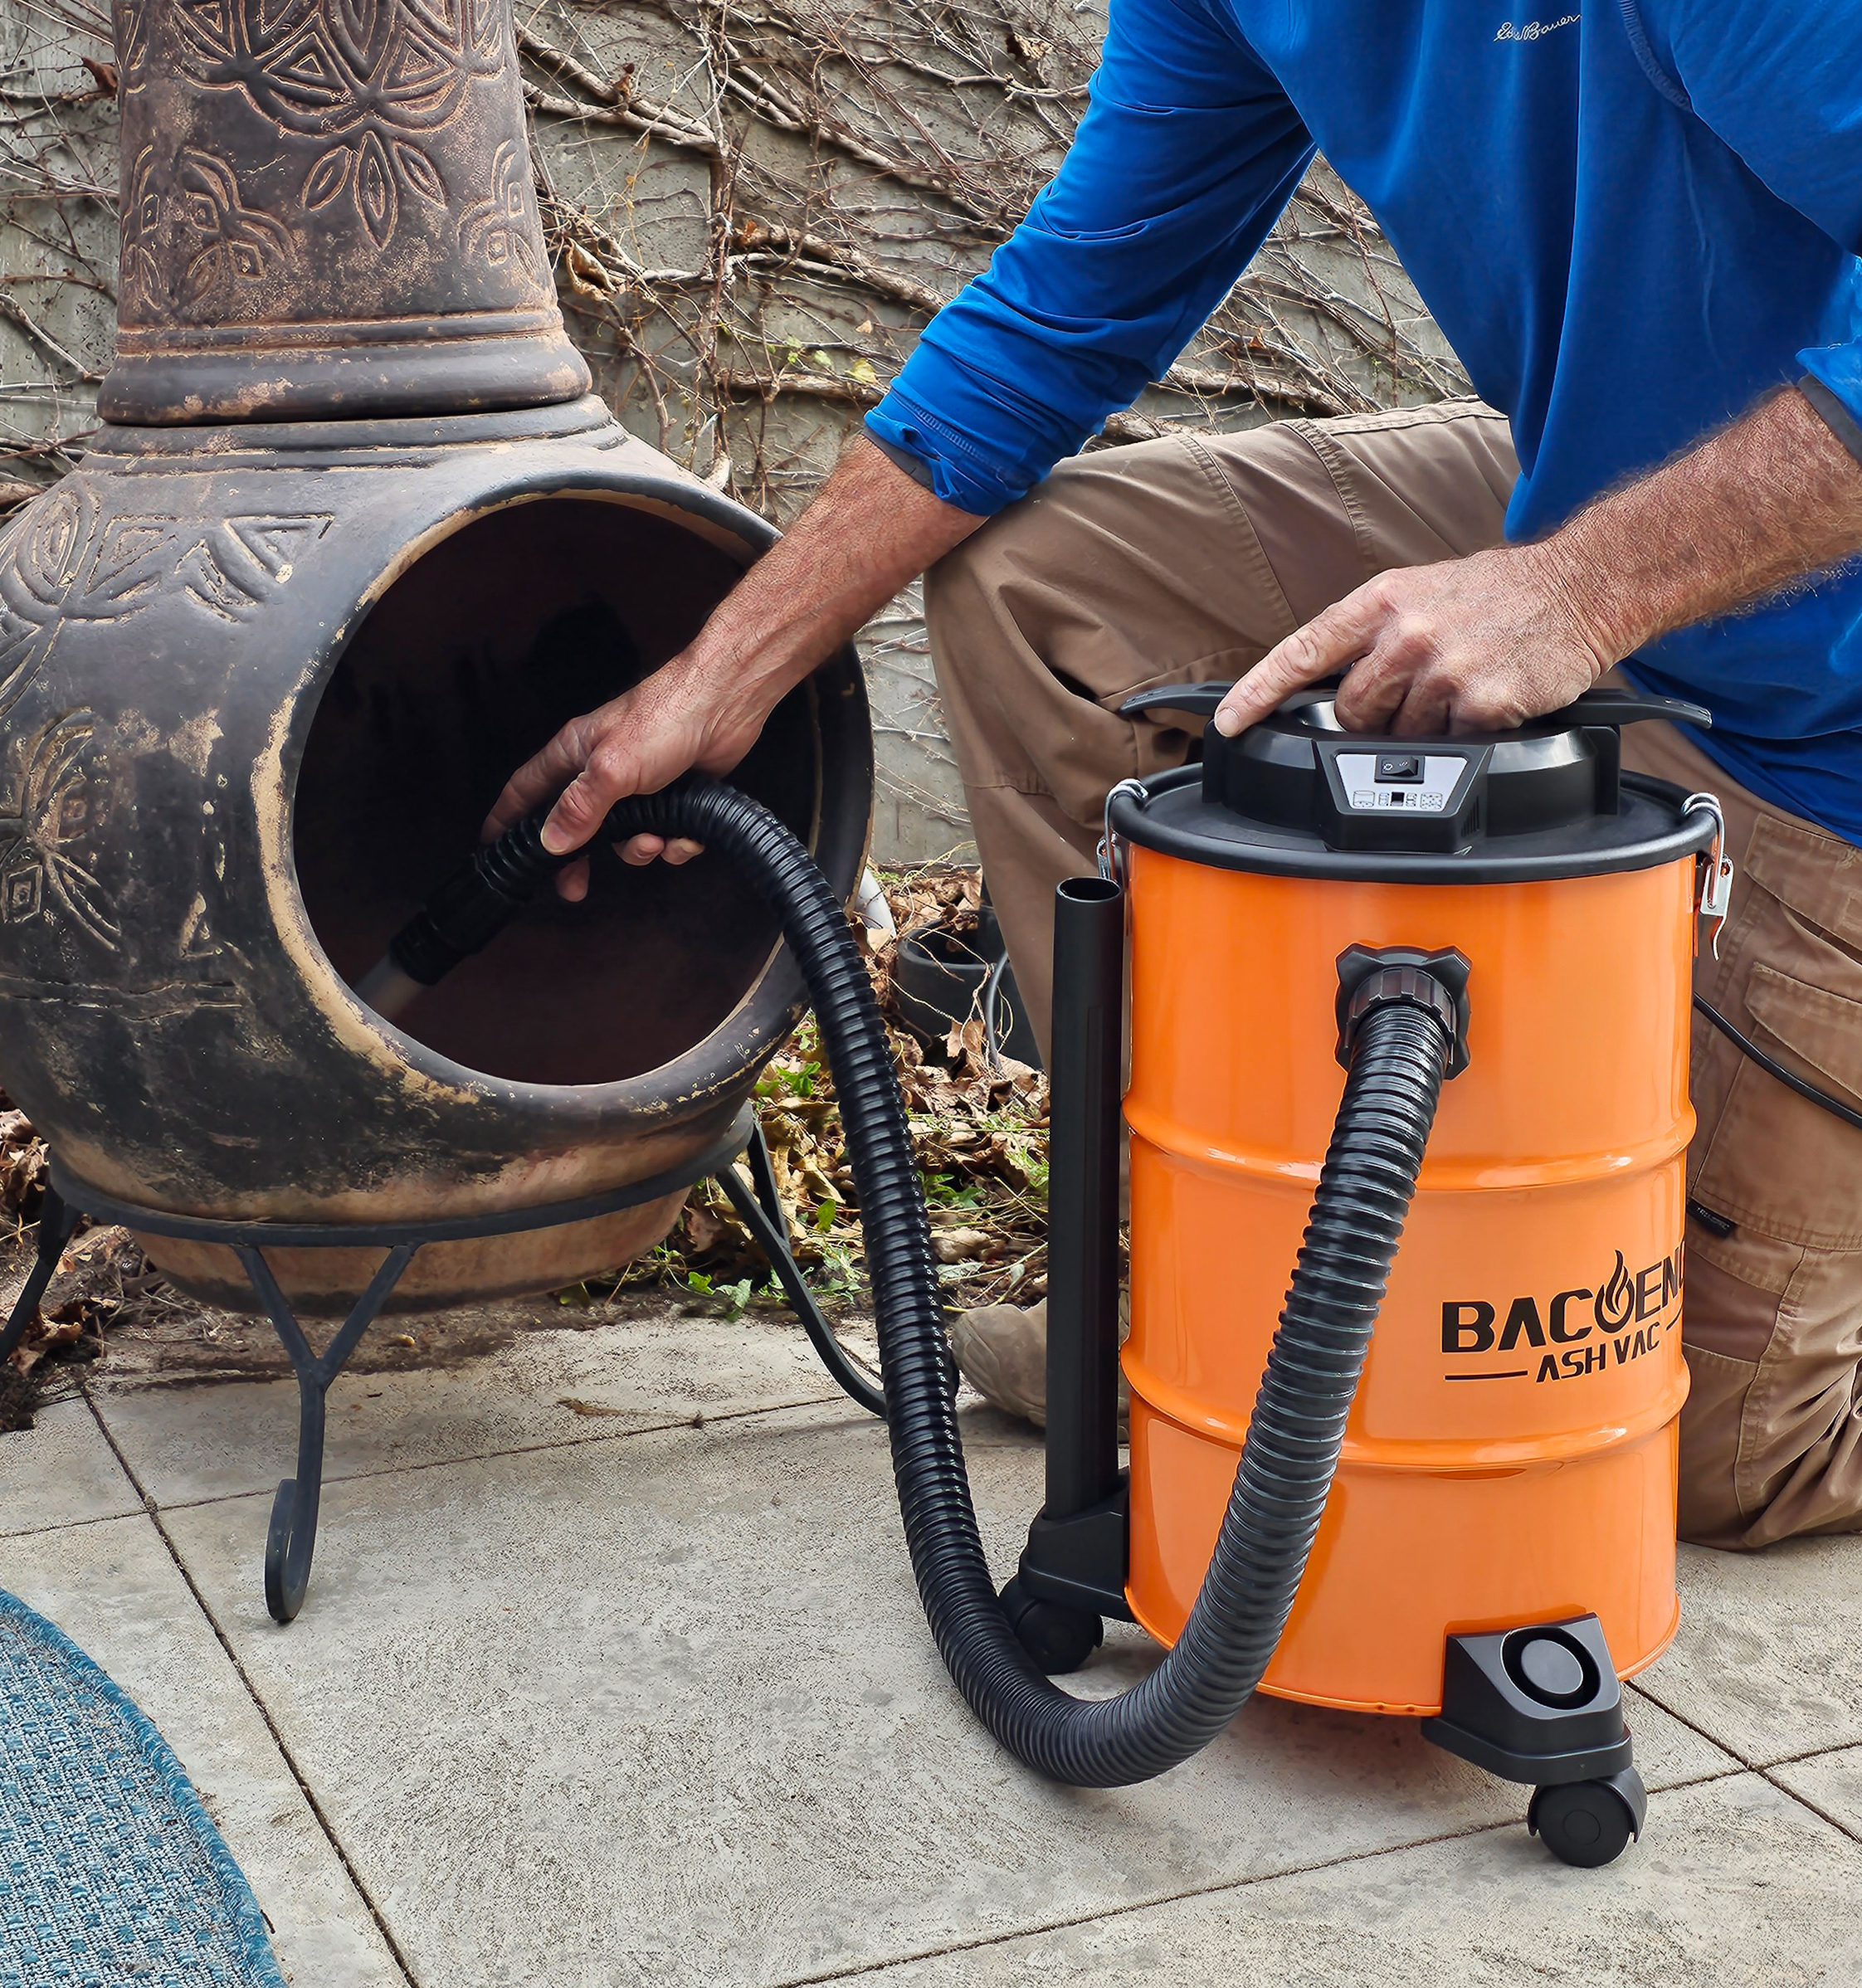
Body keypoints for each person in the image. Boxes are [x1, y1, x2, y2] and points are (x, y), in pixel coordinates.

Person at [490, 1, 1862, 1551]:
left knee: (1706, 1449)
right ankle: (1224, 1265)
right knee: (1050, 594)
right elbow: (1063, 308)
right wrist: (716, 680)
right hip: (1610, 510)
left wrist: (1574, 593)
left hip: (1834, 707)